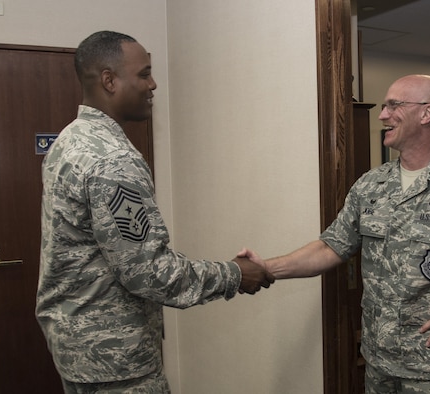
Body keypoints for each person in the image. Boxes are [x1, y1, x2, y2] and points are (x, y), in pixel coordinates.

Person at [241, 75, 430, 393]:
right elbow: (331, 248)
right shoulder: (371, 185)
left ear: (427, 113)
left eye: (394, 105)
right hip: (379, 363)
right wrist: (267, 268)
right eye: (384, 106)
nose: (382, 115)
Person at [35, 31, 274, 393]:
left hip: (79, 351)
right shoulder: (112, 161)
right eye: (144, 73)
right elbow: (149, 273)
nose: (154, 84)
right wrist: (235, 275)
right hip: (115, 361)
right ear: (109, 80)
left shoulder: (69, 139)